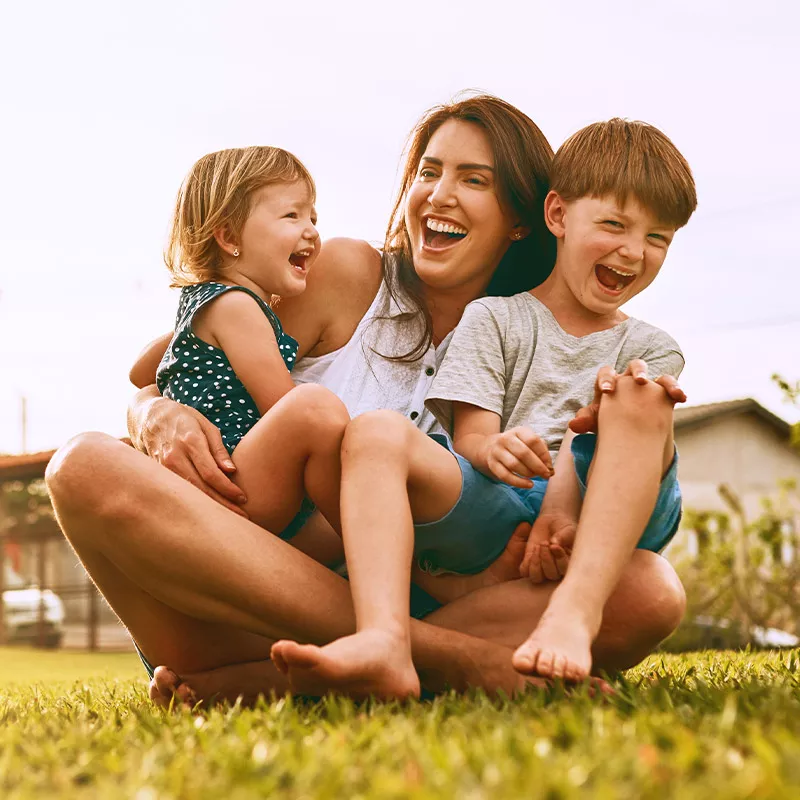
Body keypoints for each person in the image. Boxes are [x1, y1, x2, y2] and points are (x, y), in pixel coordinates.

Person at [45, 96, 685, 706]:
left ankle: (297, 674)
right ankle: (445, 659)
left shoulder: (538, 337)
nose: (439, 194)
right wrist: (155, 413)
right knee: (81, 465)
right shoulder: (346, 274)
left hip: (439, 603)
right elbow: (189, 350)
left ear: (524, 218)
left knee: (649, 590)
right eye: (428, 171)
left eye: (474, 180)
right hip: (241, 598)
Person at [269, 118, 695, 699]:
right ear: (557, 217)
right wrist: (491, 448)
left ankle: (573, 613)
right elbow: (471, 434)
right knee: (375, 432)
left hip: (608, 511)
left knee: (635, 397)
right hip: (506, 503)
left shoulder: (650, 346)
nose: (632, 250)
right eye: (615, 225)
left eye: (657, 239)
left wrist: (564, 509)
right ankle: (384, 639)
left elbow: (599, 440)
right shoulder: (493, 317)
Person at [154, 146, 346, 541]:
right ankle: (366, 532)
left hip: (227, 486)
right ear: (228, 236)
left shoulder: (203, 301)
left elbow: (145, 370)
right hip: (236, 482)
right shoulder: (237, 306)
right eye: (292, 215)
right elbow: (284, 407)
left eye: (313, 216)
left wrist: (156, 402)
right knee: (314, 407)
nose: (311, 230)